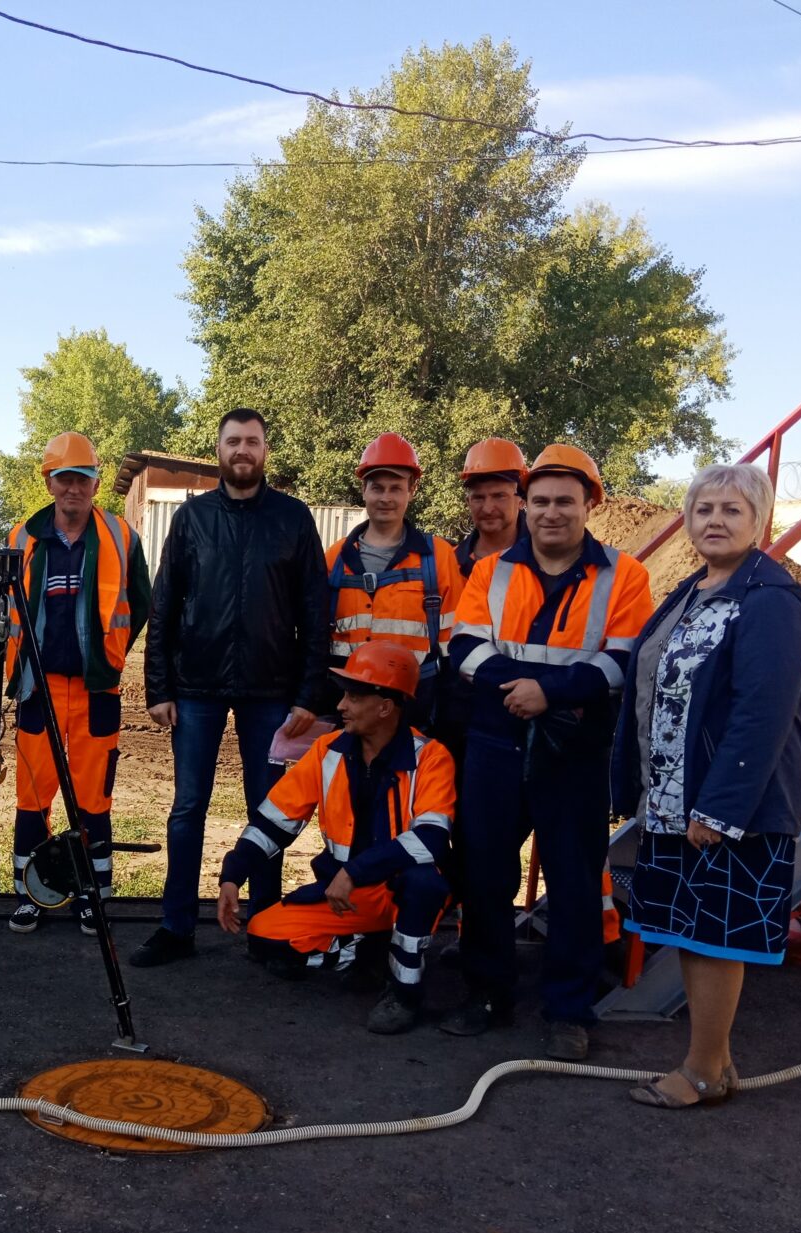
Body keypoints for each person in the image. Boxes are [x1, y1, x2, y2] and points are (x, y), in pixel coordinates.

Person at [443, 444, 653, 1059]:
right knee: (484, 873)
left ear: (590, 504)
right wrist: (524, 692)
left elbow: (621, 662)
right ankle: (487, 995)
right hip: (495, 743)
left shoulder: (625, 575)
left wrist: (548, 693)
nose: (552, 512)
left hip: (575, 750)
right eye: (540, 501)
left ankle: (569, 1008)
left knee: (575, 879)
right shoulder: (492, 571)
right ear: (525, 506)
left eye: (566, 500)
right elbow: (464, 650)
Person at [612, 463, 801, 1108]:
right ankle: (716, 1066)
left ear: (759, 521)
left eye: (731, 510)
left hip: (729, 807)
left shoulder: (770, 601)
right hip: (675, 799)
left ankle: (699, 1072)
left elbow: (763, 713)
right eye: (703, 510)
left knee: (715, 938)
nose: (715, 521)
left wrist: (720, 809)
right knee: (695, 934)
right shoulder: (695, 591)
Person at [136, 407, 329, 967]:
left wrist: (306, 695)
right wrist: (158, 688)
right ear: (219, 449)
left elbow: (316, 613)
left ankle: (267, 926)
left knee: (267, 809)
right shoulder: (192, 520)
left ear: (266, 450)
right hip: (195, 689)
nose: (243, 450)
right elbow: (164, 605)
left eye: (252, 441)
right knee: (187, 807)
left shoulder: (293, 520)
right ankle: (176, 926)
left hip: (272, 692)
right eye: (233, 441)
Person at [216, 641, 456, 1034]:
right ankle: (368, 948)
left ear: (386, 706)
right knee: (264, 937)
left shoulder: (431, 758)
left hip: (399, 890)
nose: (341, 705)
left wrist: (358, 871)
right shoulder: (327, 751)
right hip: (347, 894)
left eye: (354, 696)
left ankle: (403, 994)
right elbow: (274, 822)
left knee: (424, 882)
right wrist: (232, 874)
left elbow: (430, 841)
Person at [5, 432, 151, 935]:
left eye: (82, 479)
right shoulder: (23, 536)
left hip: (96, 690)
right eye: (64, 478)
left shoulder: (120, 535)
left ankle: (92, 895)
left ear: (95, 482)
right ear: (49, 481)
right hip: (37, 687)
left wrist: (109, 657)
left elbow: (142, 604)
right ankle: (30, 894)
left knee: (94, 799)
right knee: (32, 795)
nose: (73, 488)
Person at [324, 432, 464, 734]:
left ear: (411, 490)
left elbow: (454, 647)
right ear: (363, 489)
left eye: (396, 488)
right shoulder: (335, 559)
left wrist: (450, 719)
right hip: (348, 708)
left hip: (414, 707)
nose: (385, 497)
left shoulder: (437, 557)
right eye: (377, 487)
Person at [452, 438, 529, 579]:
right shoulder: (450, 563)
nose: (487, 509)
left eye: (499, 496)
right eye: (479, 498)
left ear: (521, 501)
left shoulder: (546, 560)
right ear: (468, 502)